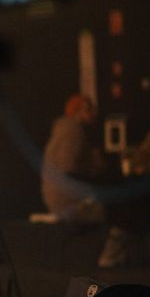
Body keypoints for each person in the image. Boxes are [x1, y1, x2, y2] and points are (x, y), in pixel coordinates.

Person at [40, 94, 104, 222]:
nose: (93, 113)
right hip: (66, 200)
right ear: (77, 112)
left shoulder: (62, 129)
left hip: (55, 197)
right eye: (88, 110)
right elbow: (68, 166)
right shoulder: (74, 132)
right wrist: (92, 167)